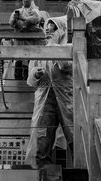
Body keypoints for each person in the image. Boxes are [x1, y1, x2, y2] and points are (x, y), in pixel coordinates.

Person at [25, 32, 74, 168]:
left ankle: (80, 165)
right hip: (46, 97)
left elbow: (66, 66)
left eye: (53, 29)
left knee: (73, 132)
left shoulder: (68, 47)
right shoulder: (40, 52)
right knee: (44, 133)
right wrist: (36, 73)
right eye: (47, 28)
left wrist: (54, 48)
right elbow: (31, 80)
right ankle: (42, 167)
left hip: (66, 96)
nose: (49, 33)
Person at [10, 0, 46, 79]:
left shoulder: (34, 10)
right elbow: (11, 23)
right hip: (20, 40)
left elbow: (37, 19)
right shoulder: (18, 11)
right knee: (18, 59)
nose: (26, 0)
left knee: (30, 60)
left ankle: (29, 79)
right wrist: (14, 18)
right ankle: (17, 80)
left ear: (31, 0)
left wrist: (24, 18)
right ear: (22, 0)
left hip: (32, 40)